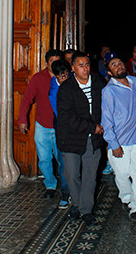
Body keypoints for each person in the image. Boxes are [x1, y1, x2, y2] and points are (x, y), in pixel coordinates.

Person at [100, 52, 136, 226]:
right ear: (110, 73)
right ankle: (127, 198)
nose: (119, 66)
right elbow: (106, 121)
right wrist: (114, 144)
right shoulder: (108, 91)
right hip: (118, 142)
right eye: (114, 65)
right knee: (121, 174)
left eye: (120, 62)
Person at [56, 51, 106, 225]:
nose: (85, 69)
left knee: (90, 176)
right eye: (80, 65)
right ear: (72, 68)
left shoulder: (99, 83)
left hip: (94, 138)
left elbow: (106, 106)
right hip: (71, 138)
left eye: (87, 65)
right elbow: (66, 117)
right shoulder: (66, 88)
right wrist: (92, 126)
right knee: (71, 174)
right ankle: (76, 204)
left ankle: (86, 210)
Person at [18, 49, 68, 199]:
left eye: (57, 61)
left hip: (61, 127)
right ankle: (50, 185)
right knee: (45, 158)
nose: (55, 64)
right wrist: (22, 119)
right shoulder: (38, 78)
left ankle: (66, 188)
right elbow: (26, 99)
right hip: (43, 126)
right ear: (46, 63)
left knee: (62, 160)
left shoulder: (67, 78)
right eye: (52, 62)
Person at [49, 59, 73, 209]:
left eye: (66, 75)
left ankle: (76, 192)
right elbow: (60, 112)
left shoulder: (75, 83)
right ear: (55, 75)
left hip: (77, 128)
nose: (63, 78)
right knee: (63, 162)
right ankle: (65, 193)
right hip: (63, 129)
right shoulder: (53, 90)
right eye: (61, 76)